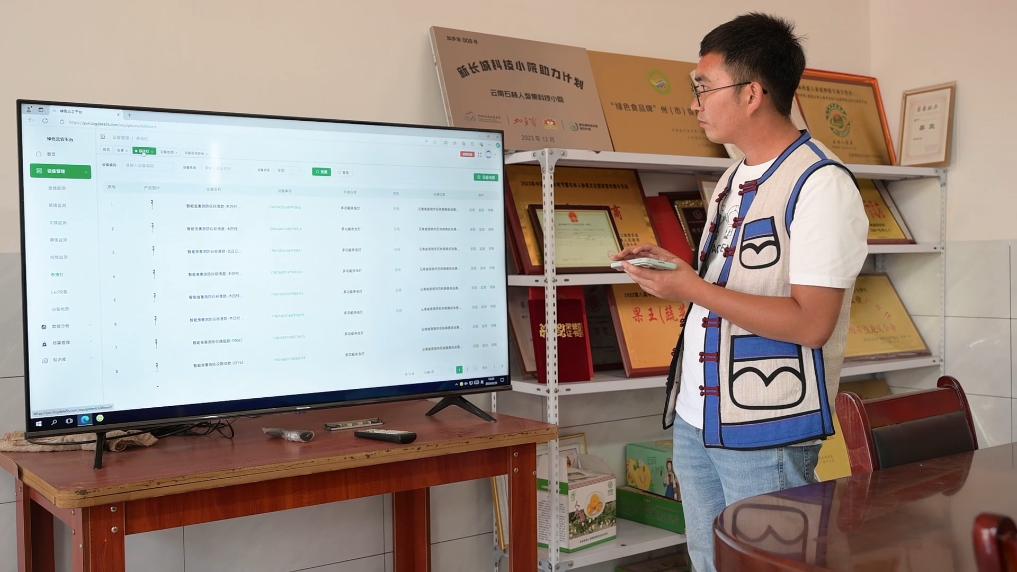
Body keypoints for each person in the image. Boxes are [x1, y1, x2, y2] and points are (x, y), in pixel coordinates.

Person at [613, 13, 868, 572]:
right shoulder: (734, 176)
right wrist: (679, 273)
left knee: (765, 565)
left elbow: (811, 324)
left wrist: (692, 287)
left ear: (752, 93)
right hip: (698, 414)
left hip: (768, 425)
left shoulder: (821, 184)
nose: (694, 104)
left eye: (703, 87)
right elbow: (726, 286)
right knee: (708, 561)